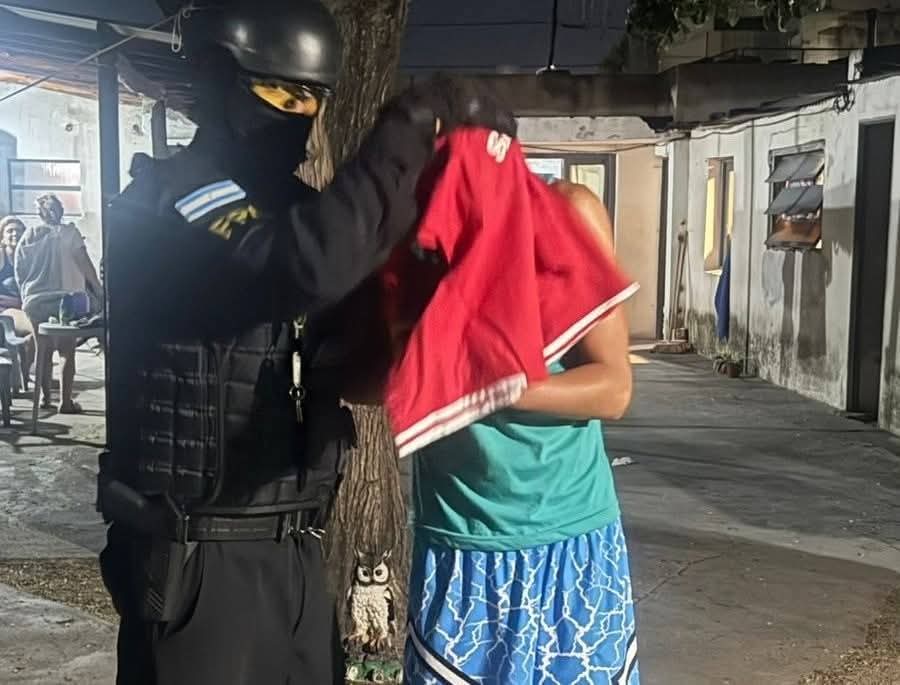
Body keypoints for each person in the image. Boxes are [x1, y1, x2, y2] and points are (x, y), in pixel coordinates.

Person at [98, 1, 516, 684]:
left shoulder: (295, 212)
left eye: (314, 99)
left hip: (294, 550)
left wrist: (428, 272)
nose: (302, 117)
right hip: (197, 559)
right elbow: (297, 266)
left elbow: (359, 370)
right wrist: (407, 128)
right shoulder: (175, 199)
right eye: (283, 95)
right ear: (217, 78)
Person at [397, 182, 639, 684]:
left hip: (570, 542)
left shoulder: (567, 212)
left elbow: (613, 388)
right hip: (459, 546)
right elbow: (365, 375)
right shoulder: (407, 223)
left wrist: (493, 385)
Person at [14, 195, 102, 412]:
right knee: (67, 351)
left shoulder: (29, 236)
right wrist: (98, 290)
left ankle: (45, 399)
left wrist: (27, 294)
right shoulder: (70, 233)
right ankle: (65, 402)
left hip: (35, 301)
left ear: (39, 213)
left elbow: (19, 270)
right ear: (61, 210)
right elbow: (85, 264)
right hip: (68, 298)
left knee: (42, 349)